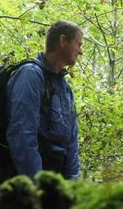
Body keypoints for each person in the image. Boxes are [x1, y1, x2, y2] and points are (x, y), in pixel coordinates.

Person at [6, 20, 83, 180]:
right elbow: (22, 134)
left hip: (58, 184)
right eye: (78, 44)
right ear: (63, 41)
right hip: (34, 185)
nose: (80, 51)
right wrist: (38, 189)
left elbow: (72, 144)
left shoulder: (66, 89)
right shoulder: (30, 75)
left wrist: (72, 187)